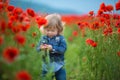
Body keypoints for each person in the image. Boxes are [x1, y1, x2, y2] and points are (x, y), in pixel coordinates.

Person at [36, 13, 67, 80]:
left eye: (52, 30)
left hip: (59, 65)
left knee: (62, 78)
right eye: (47, 30)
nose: (49, 32)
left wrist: (52, 48)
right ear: (44, 29)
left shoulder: (61, 38)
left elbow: (63, 49)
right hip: (46, 65)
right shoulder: (43, 38)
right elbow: (36, 49)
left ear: (59, 30)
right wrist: (40, 48)